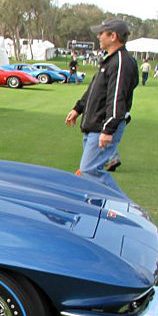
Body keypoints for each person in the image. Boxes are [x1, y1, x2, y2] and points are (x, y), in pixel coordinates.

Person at [64, 18, 138, 190]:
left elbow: (117, 97)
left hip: (102, 127)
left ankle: (122, 207)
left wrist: (108, 128)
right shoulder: (109, 60)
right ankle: (96, 207)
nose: (98, 36)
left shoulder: (121, 62)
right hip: (94, 125)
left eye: (101, 33)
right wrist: (78, 108)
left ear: (113, 36)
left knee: (89, 170)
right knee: (89, 174)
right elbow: (94, 91)